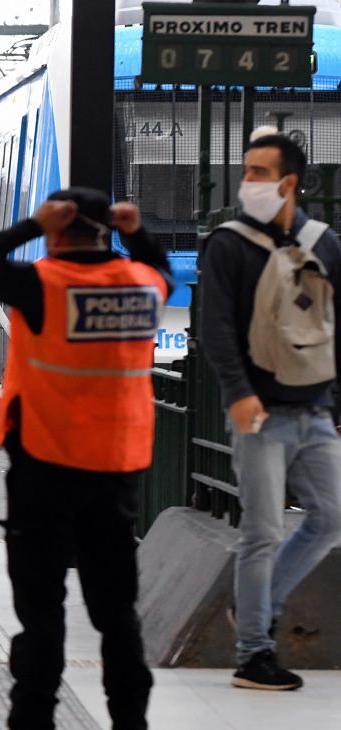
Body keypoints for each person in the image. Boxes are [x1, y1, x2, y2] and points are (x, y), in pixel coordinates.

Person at [0, 188, 167, 730]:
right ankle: (130, 722)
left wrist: (31, 224)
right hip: (118, 469)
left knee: (42, 612)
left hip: (46, 470)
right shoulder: (144, 284)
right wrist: (135, 232)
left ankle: (34, 720)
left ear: (57, 225)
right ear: (107, 229)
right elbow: (156, 262)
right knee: (118, 613)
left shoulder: (43, 286)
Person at [199, 130, 341, 692]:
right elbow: (216, 328)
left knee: (330, 517)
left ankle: (256, 604)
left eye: (259, 173)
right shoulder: (229, 243)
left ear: (289, 183)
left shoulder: (325, 242)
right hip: (257, 413)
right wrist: (237, 393)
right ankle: (253, 652)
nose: (247, 183)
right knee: (261, 530)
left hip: (314, 410)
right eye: (246, 170)